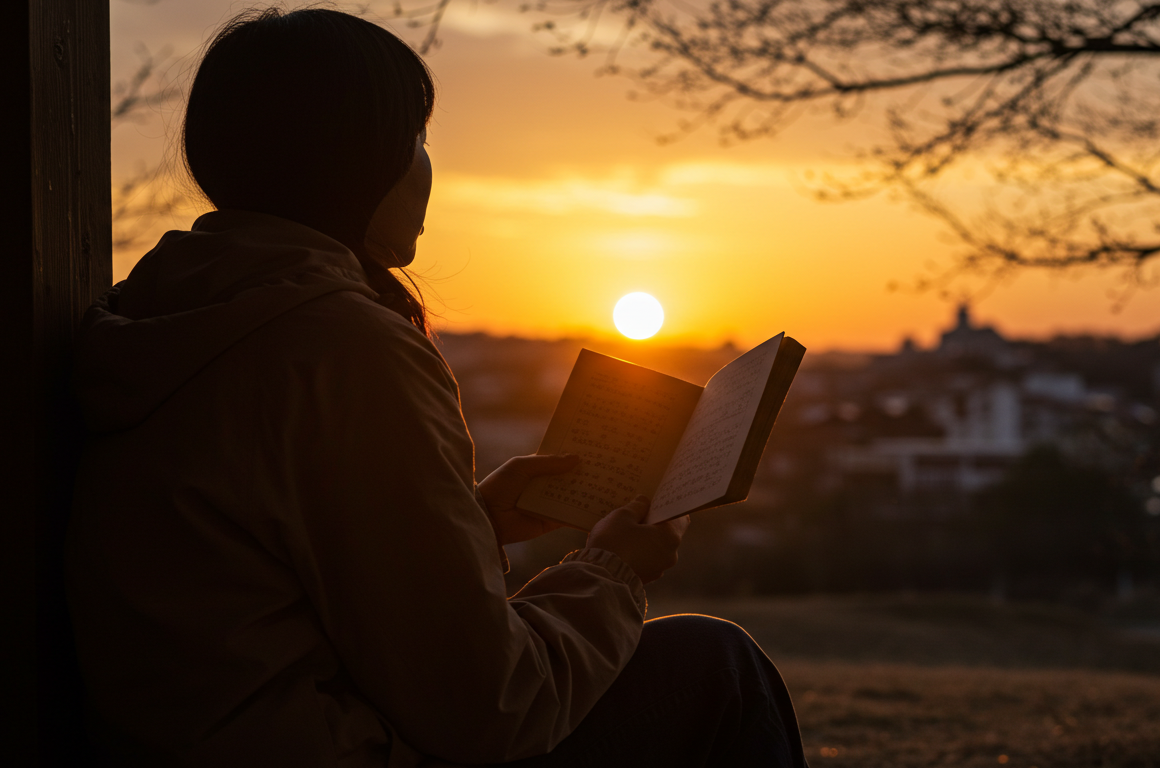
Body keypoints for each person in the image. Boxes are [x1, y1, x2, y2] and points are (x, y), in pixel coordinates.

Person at [66, 8, 808, 768]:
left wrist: (472, 521)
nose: (425, 165)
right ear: (364, 162)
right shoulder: (344, 349)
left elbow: (267, 568)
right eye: (416, 139)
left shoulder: (164, 313)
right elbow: (491, 709)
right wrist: (612, 570)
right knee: (716, 668)